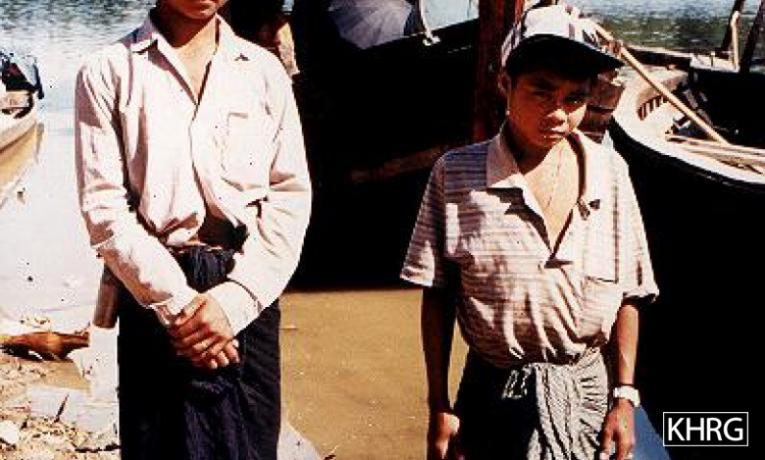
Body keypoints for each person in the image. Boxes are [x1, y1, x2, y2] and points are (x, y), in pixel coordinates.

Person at [401, 3, 658, 460]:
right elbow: (437, 293)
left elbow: (631, 293)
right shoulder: (455, 175)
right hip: (491, 394)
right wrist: (439, 405)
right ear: (505, 84)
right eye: (541, 93)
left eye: (574, 98)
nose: (558, 113)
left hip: (587, 397)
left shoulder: (611, 173)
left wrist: (624, 396)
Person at [74, 0, 311, 458]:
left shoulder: (264, 72)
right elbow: (104, 209)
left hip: (247, 290)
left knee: (250, 446)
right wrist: (180, 308)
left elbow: (289, 196)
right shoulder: (107, 71)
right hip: (154, 292)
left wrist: (235, 301)